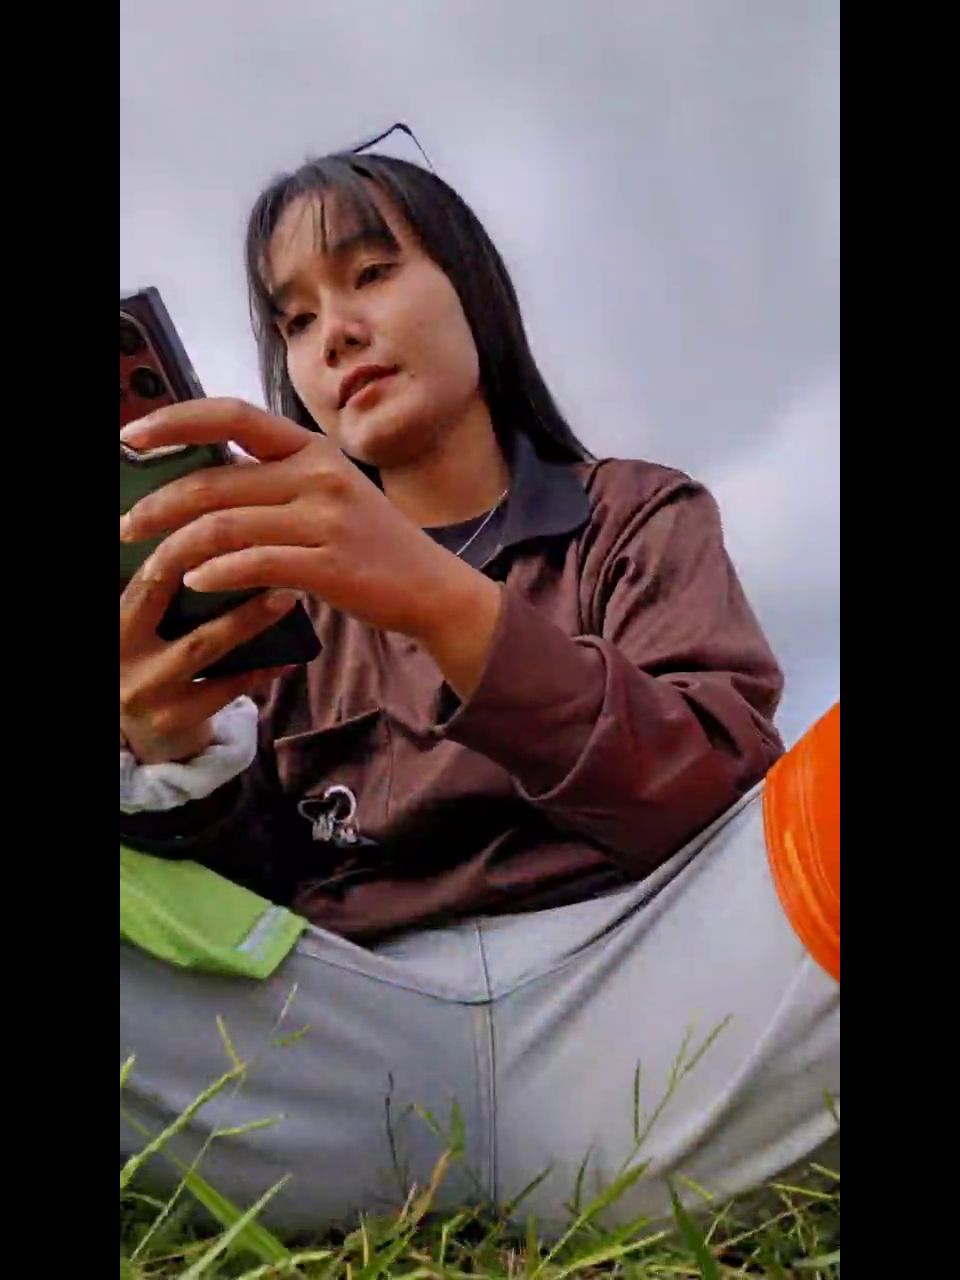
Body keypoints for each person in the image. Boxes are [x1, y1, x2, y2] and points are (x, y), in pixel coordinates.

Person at [119, 150, 837, 1231]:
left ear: (473, 288)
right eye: (296, 319)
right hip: (340, 1064)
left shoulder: (636, 516)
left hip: (663, 1011)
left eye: (371, 274)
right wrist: (178, 765)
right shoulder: (275, 599)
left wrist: (447, 607)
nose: (336, 334)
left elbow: (714, 795)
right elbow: (250, 921)